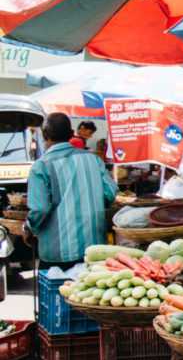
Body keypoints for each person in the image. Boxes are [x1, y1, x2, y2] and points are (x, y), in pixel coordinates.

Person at [25, 113, 117, 268]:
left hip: (58, 253)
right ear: (70, 133)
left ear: (44, 135)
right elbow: (110, 192)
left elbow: (39, 208)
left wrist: (28, 227)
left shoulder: (41, 166)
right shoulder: (93, 160)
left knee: (58, 290)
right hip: (94, 251)